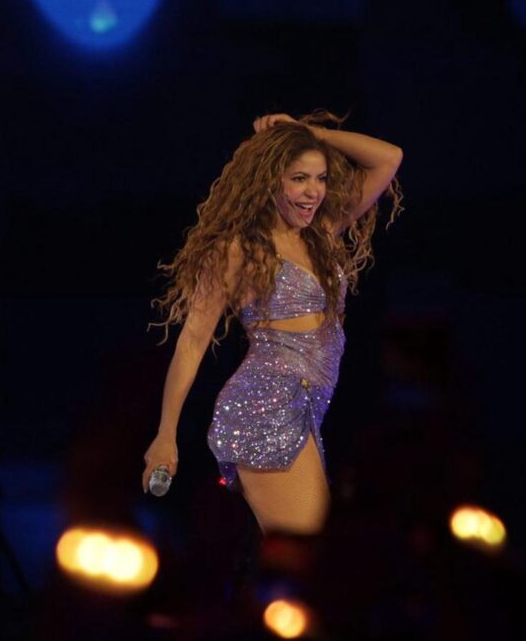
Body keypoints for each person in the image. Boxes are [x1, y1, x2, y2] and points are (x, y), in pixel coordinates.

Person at [142, 111, 403, 535]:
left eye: (320, 179)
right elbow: (192, 342)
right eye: (299, 179)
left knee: (306, 555)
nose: (314, 192)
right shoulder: (237, 251)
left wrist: (310, 132)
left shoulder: (321, 235)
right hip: (264, 409)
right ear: (268, 181)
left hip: (307, 409)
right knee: (309, 553)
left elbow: (389, 157)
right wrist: (165, 434)